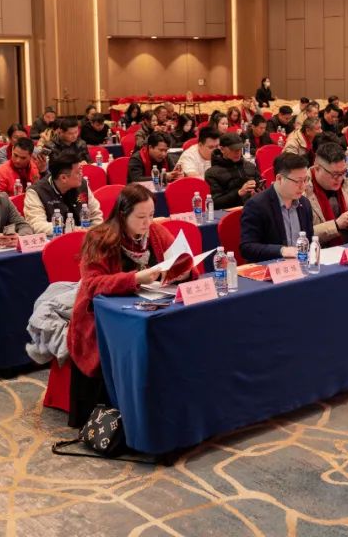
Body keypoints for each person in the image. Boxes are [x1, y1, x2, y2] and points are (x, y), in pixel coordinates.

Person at [68, 184, 197, 427]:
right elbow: (92, 285)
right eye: (140, 217)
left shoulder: (155, 232)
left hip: (148, 306)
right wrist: (135, 278)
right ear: (122, 214)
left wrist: (184, 272)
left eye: (151, 215)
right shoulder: (99, 238)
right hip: (104, 317)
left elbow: (185, 262)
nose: (147, 222)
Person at [240, 152, 314, 262]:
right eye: (298, 181)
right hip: (272, 267)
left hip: (301, 265)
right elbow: (247, 248)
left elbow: (309, 240)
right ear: (279, 178)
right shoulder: (257, 205)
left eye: (305, 180)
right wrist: (281, 250)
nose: (303, 186)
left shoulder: (304, 204)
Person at [304, 141, 348, 248]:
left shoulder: (346, 184)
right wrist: (336, 225)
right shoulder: (302, 190)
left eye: (343, 172)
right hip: (320, 252)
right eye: (335, 174)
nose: (340, 178)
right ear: (317, 168)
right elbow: (302, 235)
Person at [22, 155, 102, 235]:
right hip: (54, 239)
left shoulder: (82, 184)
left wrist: (94, 233)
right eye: (78, 173)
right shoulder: (35, 192)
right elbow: (37, 225)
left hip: (85, 237)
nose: (82, 174)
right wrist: (69, 230)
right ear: (63, 178)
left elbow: (96, 216)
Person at [205, 133, 261, 209]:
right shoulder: (212, 173)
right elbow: (214, 203)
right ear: (222, 149)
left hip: (252, 208)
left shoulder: (250, 166)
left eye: (240, 149)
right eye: (233, 149)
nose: (238, 152)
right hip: (229, 212)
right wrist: (239, 193)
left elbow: (261, 188)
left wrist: (258, 192)